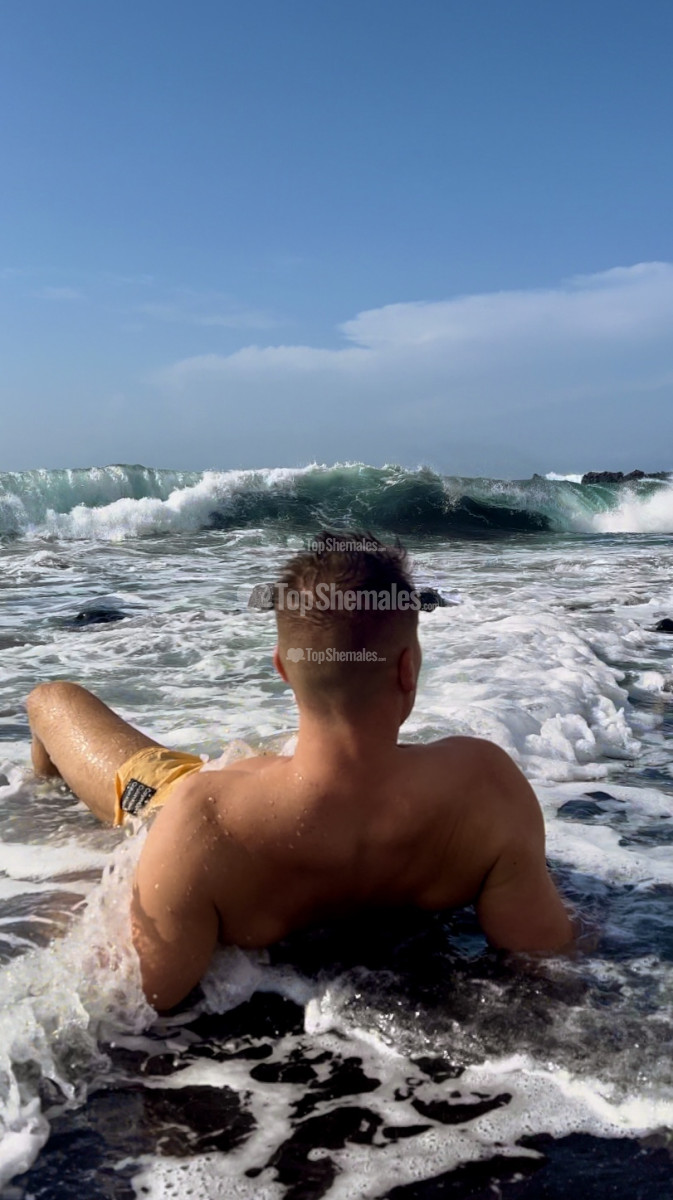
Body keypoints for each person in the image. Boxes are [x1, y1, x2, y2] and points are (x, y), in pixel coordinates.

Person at [26, 533, 573, 1012]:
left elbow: (136, 999)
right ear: (407, 669)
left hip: (190, 804)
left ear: (282, 669)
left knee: (51, 699)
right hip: (267, 792)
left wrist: (72, 889)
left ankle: (41, 811)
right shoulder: (486, 788)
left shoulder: (204, 819)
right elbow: (546, 954)